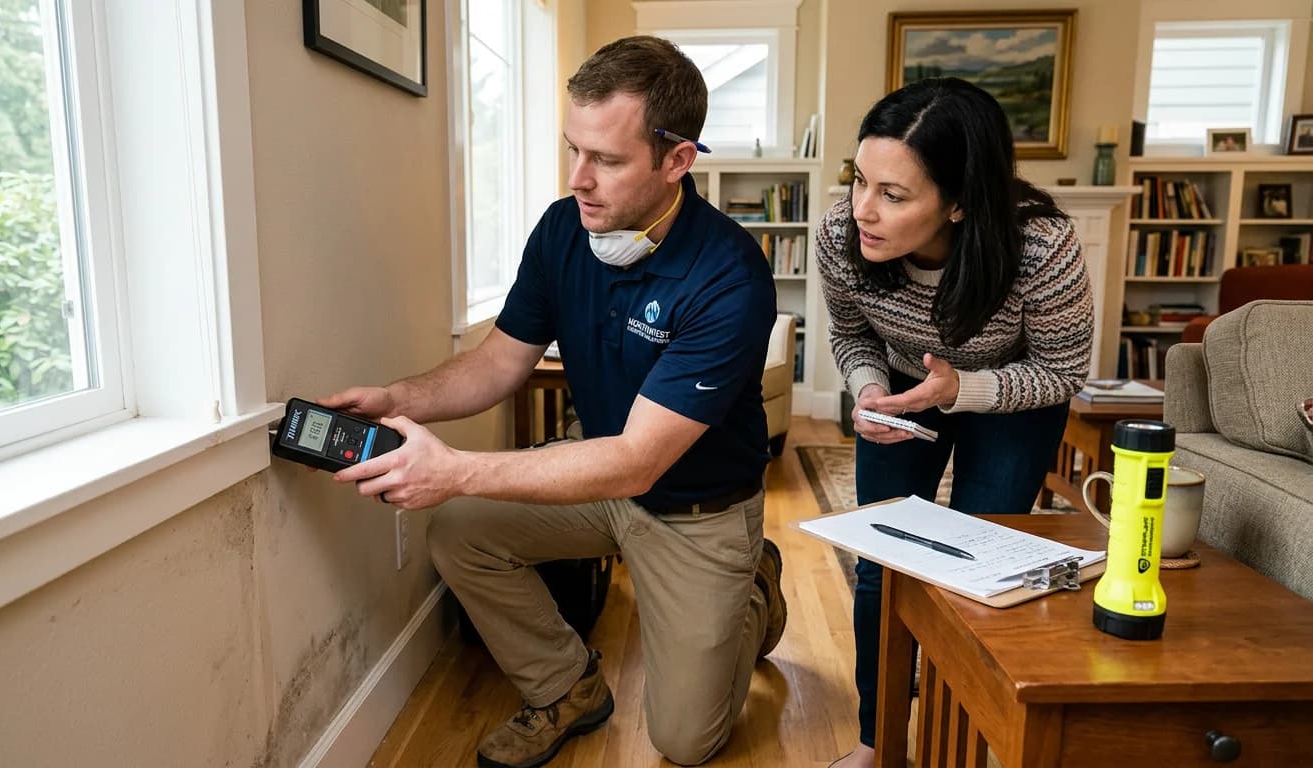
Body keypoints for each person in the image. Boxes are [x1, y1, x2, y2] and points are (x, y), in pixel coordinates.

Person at [322, 36, 786, 768]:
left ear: (677, 160)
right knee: (459, 533)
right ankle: (567, 687)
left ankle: (752, 586)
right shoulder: (563, 228)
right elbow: (498, 364)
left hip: (696, 513)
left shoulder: (730, 276)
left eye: (606, 159)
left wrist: (457, 468)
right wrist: (395, 396)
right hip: (600, 481)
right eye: (574, 149)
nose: (579, 179)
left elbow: (638, 462)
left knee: (686, 742)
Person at [815, 77, 1092, 768]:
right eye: (859, 181)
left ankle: (958, 742)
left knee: (978, 572)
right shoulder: (838, 236)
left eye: (894, 195)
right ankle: (879, 744)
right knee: (883, 569)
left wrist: (959, 389)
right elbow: (852, 338)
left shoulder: (1041, 248)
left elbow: (1062, 373)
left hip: (1015, 394)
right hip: (907, 386)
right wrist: (870, 389)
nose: (863, 212)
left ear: (961, 201)